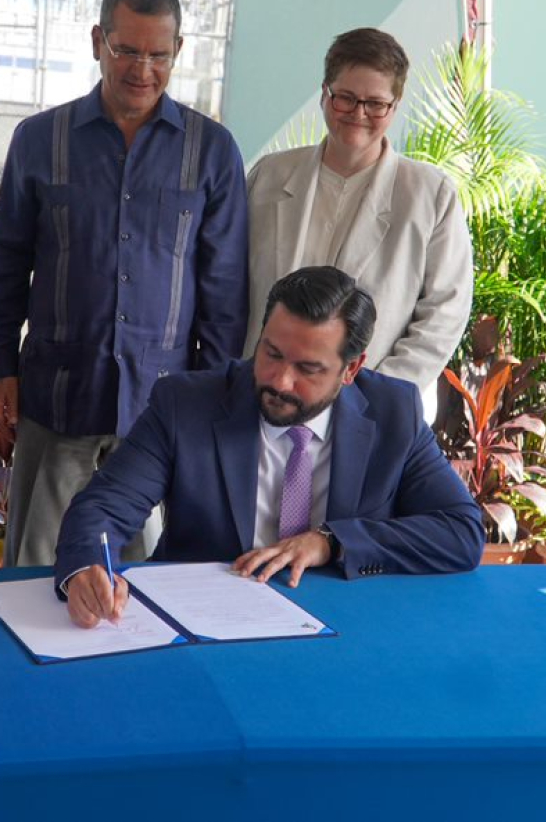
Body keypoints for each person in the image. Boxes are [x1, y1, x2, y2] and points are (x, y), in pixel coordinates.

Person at [0, 0, 249, 567]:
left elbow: (224, 292)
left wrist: (213, 399)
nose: (142, 69)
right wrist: (1, 368)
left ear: (178, 50)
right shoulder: (37, 140)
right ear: (98, 39)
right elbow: (4, 267)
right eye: (127, 50)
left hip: (161, 411)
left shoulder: (212, 151)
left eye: (158, 54)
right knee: (34, 570)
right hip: (57, 399)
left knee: (146, 581)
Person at [54, 266, 483, 629]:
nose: (280, 381)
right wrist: (87, 566)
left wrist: (332, 542)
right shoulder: (185, 404)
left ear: (351, 369)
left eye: (308, 368)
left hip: (344, 628)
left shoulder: (394, 413)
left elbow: (460, 532)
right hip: (204, 624)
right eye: (272, 353)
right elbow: (104, 509)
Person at [244, 28, 473, 424]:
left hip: (367, 409)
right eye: (345, 98)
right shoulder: (269, 176)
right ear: (324, 93)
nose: (358, 114)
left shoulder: (429, 195)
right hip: (264, 396)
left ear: (395, 106)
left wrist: (376, 391)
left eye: (375, 103)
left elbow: (445, 310)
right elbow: (230, 284)